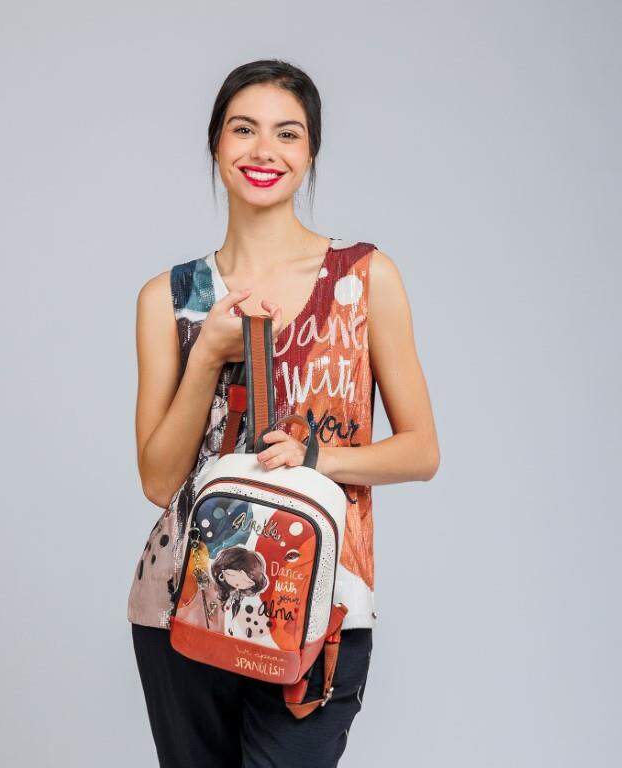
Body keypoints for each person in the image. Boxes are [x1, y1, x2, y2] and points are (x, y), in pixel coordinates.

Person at [127, 58, 440, 768]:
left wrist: (316, 458)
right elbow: (157, 480)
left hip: (320, 607)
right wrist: (208, 354)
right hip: (181, 602)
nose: (264, 150)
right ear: (216, 143)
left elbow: (421, 450)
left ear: (311, 151)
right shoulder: (169, 297)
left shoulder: (364, 278)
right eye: (244, 129)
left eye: (287, 133)